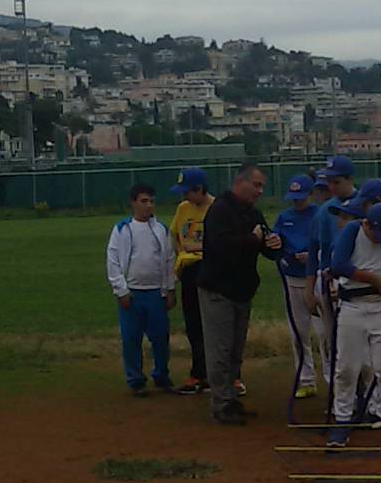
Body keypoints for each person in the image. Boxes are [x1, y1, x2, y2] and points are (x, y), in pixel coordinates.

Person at [198, 163, 282, 425]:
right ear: (240, 182)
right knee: (220, 349)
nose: (260, 191)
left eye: (262, 187)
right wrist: (253, 240)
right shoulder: (219, 211)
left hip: (242, 290)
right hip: (218, 289)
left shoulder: (252, 213)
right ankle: (220, 404)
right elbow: (223, 248)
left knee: (235, 350)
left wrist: (274, 244)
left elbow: (264, 245)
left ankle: (230, 398)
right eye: (256, 185)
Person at [327, 202, 381, 450]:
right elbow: (338, 265)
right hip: (353, 306)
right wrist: (374, 278)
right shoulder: (353, 231)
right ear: (367, 224)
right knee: (347, 369)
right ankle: (342, 421)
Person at [106, 182, 176, 397]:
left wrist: (170, 289)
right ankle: (135, 380)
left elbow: (168, 261)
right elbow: (113, 261)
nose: (148, 206)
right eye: (144, 201)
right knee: (131, 339)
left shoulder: (161, 230)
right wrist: (121, 290)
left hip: (155, 292)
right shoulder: (122, 229)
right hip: (133, 294)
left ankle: (161, 375)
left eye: (152, 202)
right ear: (133, 203)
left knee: (160, 339)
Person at [304, 155, 358, 376]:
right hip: (331, 280)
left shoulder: (365, 204)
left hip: (360, 278)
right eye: (329, 182)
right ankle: (337, 388)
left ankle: (373, 392)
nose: (331, 186)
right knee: (332, 338)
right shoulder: (325, 211)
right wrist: (311, 290)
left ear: (349, 179)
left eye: (336, 181)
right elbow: (318, 253)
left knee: (361, 339)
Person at [273, 174, 320, 399]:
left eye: (301, 197)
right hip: (292, 278)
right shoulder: (284, 217)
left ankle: (334, 379)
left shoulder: (320, 215)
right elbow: (275, 243)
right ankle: (306, 379)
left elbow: (331, 245)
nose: (297, 202)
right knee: (298, 333)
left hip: (318, 279)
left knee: (325, 333)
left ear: (311, 195)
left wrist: (313, 256)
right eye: (294, 198)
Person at [169, 167, 214, 395]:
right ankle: (198, 374)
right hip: (188, 271)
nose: (184, 196)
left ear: (200, 189)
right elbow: (175, 234)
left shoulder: (216, 209)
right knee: (193, 324)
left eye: (187, 192)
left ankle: (226, 376)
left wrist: (198, 249)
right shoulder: (183, 209)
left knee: (216, 325)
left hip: (210, 270)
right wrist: (182, 254)